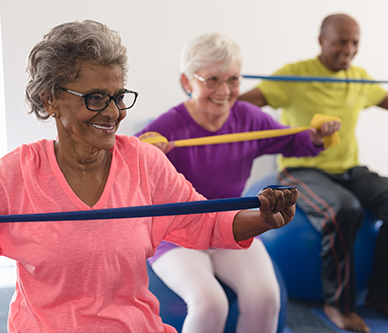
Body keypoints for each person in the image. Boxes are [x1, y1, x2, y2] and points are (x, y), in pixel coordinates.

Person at [0, 20, 299, 333]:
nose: (113, 113)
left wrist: (264, 218)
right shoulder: (17, 175)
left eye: (118, 96)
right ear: (50, 99)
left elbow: (206, 222)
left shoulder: (143, 163)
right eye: (95, 98)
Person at [135, 33, 340, 333]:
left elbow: (296, 140)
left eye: (233, 80)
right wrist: (145, 155)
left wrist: (319, 135)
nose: (225, 90)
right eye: (213, 80)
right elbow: (126, 170)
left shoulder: (248, 118)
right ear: (187, 82)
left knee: (266, 298)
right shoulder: (167, 128)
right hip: (176, 235)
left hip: (232, 226)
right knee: (209, 303)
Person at [239, 13, 388, 333]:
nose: (348, 49)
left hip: (349, 169)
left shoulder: (359, 78)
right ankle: (338, 305)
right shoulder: (296, 75)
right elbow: (241, 106)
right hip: (303, 168)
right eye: (340, 42)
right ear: (322, 40)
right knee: (342, 209)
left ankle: (380, 296)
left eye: (355, 43)